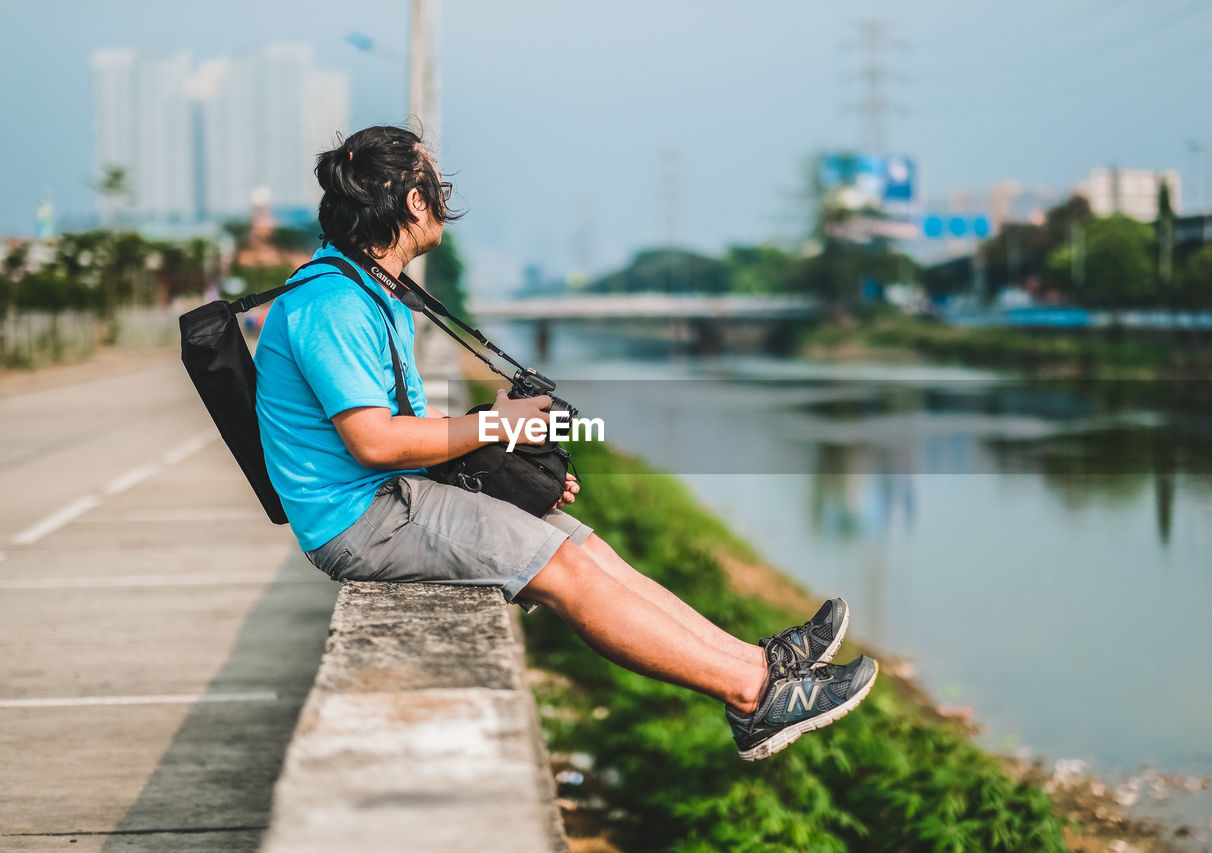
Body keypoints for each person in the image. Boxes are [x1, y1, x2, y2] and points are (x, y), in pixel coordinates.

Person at [253, 124, 877, 760]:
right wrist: (499, 425)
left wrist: (503, 455)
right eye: (434, 184)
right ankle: (753, 697)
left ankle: (759, 661)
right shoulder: (333, 301)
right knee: (565, 571)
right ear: (413, 202)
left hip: (391, 497)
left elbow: (403, 423)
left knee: (582, 543)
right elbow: (375, 442)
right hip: (363, 517)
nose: (443, 197)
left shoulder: (367, 289)